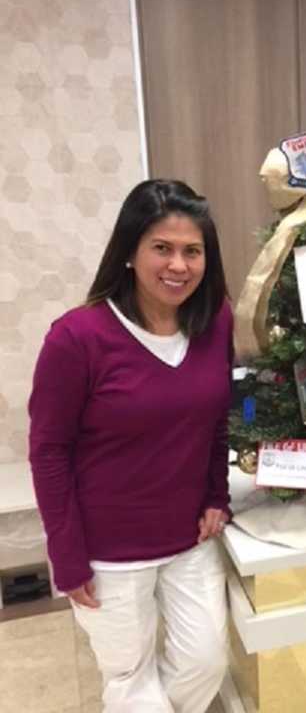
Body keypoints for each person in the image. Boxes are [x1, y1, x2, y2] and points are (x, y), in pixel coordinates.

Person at [29, 179, 234, 713]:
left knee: (205, 661)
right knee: (128, 678)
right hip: (108, 551)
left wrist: (217, 493)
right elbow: (49, 452)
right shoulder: (77, 338)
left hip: (189, 536)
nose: (179, 265)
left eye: (193, 251)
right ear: (129, 253)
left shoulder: (216, 322)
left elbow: (216, 420)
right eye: (161, 248)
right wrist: (65, 554)